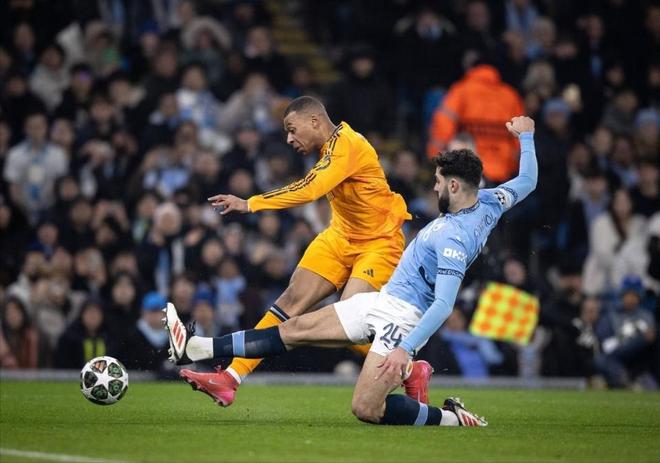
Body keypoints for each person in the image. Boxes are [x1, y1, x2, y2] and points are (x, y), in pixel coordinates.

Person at [166, 115, 537, 426]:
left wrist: (405, 349)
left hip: (401, 320)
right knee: (295, 328)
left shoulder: (454, 239)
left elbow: (443, 305)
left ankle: (450, 418)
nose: (434, 186)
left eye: (438, 182)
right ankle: (197, 346)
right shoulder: (490, 201)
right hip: (382, 300)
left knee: (366, 408)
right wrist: (526, 137)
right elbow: (527, 181)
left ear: (454, 185)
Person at [183, 96, 414, 407]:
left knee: (349, 321)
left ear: (315, 122)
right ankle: (230, 378)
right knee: (289, 303)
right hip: (339, 236)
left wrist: (250, 203)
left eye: (292, 129)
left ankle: (410, 368)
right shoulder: (327, 149)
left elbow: (309, 189)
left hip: (378, 243)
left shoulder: (348, 144)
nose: (289, 139)